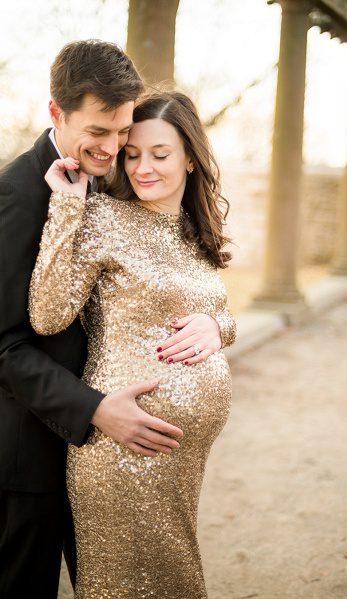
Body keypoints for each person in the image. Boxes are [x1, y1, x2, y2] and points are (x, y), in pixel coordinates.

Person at [0, 40, 219, 597]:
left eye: (123, 131)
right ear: (57, 113)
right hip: (34, 458)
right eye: (100, 132)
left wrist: (218, 326)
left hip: (117, 453)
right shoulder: (15, 196)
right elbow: (7, 346)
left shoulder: (117, 180)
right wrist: (97, 409)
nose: (116, 147)